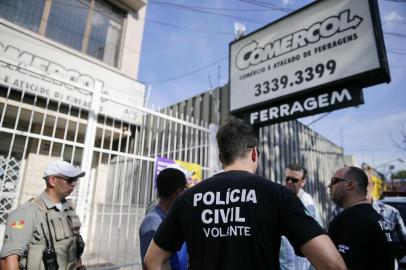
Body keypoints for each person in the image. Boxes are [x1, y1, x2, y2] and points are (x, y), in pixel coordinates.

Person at [144, 119, 346, 270]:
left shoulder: (187, 199)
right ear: (254, 153)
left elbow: (151, 260)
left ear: (221, 157)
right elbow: (332, 264)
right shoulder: (278, 195)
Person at [0, 160, 86, 270]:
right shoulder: (27, 212)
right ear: (53, 180)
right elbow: (8, 261)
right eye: (70, 180)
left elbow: (75, 249)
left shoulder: (69, 210)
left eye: (76, 180)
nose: (74, 184)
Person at [331, 170, 406, 267]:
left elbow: (402, 245)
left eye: (366, 183)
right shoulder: (339, 211)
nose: (364, 187)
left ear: (373, 185)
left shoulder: (390, 212)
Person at [139, 168, 188, 270]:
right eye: (185, 189)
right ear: (178, 192)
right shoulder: (153, 222)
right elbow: (150, 264)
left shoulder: (172, 218)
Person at [279, 164, 322, 270]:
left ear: (303, 182)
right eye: (287, 178)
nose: (289, 182)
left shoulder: (308, 203)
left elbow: (317, 235)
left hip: (303, 266)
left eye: (294, 180)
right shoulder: (277, 197)